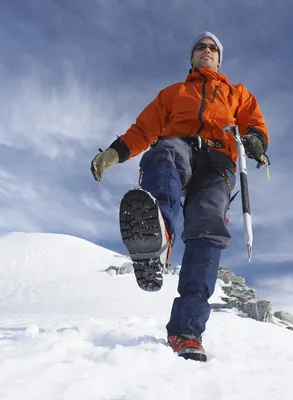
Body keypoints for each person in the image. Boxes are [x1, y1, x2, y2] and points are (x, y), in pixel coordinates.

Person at [91, 32, 269, 362]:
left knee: (208, 228)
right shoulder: (174, 94)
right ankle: (157, 238)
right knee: (164, 153)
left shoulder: (236, 94)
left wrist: (257, 139)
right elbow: (143, 129)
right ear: (192, 58)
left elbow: (254, 123)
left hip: (218, 161)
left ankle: (186, 332)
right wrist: (114, 153)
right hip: (181, 145)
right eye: (200, 47)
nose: (206, 51)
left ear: (219, 59)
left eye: (212, 48)